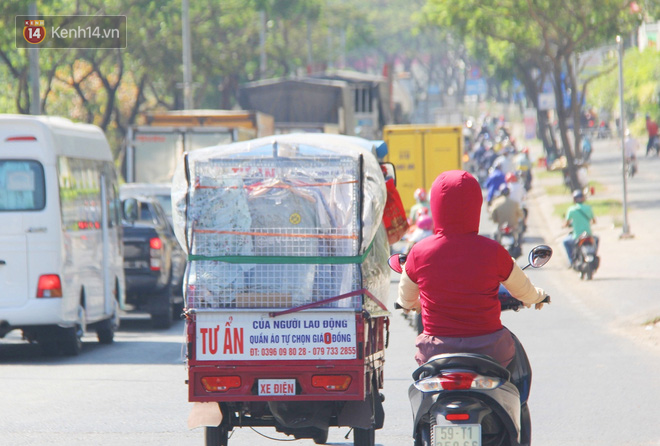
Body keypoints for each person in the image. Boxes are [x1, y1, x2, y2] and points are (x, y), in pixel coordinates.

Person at [396, 170, 547, 368]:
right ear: (476, 203)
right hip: (490, 350)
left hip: (436, 352)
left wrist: (416, 305)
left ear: (436, 205)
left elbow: (405, 299)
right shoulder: (494, 251)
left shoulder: (418, 252)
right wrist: (538, 296)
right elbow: (523, 290)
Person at [562, 189, 597, 266]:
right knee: (596, 240)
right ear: (583, 198)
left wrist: (564, 225)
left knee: (565, 242)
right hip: (588, 235)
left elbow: (566, 223)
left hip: (577, 236)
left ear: (574, 199)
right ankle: (594, 255)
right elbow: (594, 221)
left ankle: (571, 261)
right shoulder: (588, 208)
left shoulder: (571, 210)